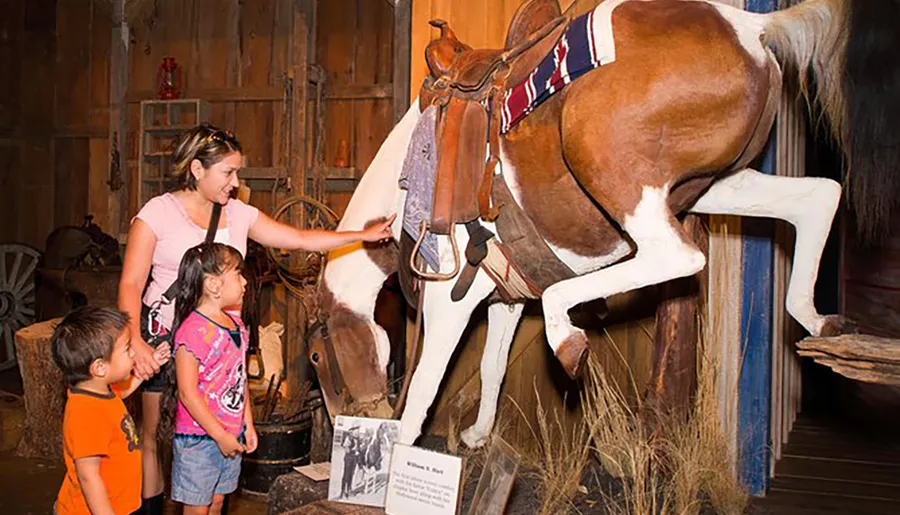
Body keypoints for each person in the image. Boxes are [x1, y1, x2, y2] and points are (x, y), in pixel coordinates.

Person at [117, 123, 394, 513]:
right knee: (154, 435)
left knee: (216, 435)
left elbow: (297, 238)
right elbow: (131, 283)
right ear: (197, 170)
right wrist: (137, 341)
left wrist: (358, 237)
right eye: (227, 173)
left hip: (219, 348)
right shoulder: (158, 213)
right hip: (163, 340)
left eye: (237, 172)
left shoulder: (239, 215)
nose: (235, 182)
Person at [156, 242, 254, 514]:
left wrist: (248, 424)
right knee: (197, 507)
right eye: (237, 273)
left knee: (218, 501)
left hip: (230, 434)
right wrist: (219, 435)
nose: (244, 282)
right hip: (199, 438)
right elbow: (187, 393)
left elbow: (240, 380)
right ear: (213, 285)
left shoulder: (237, 326)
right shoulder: (193, 332)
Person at [51, 306, 170, 515]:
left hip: (121, 504)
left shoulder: (98, 391)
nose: (133, 352)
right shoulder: (87, 414)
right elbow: (89, 476)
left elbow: (120, 394)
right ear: (99, 367)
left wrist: (148, 368)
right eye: (127, 348)